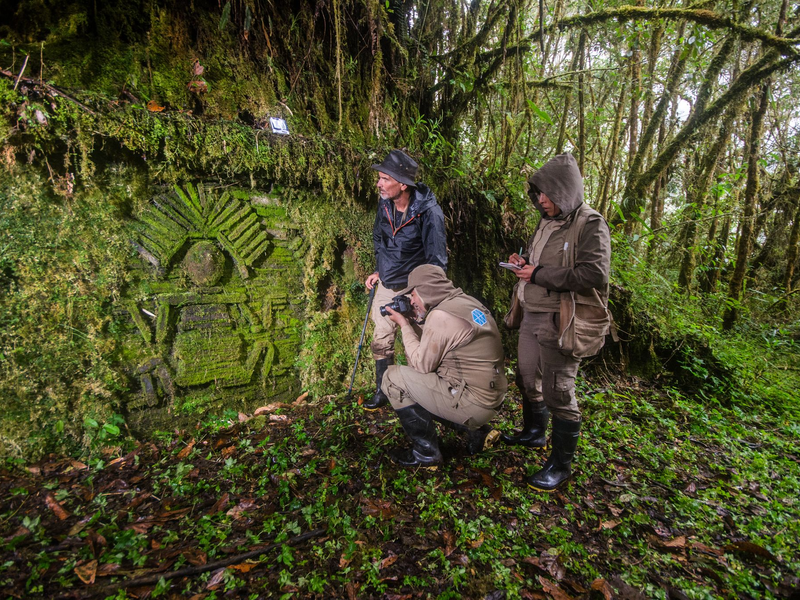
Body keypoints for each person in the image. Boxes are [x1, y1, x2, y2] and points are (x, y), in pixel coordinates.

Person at [502, 153, 611, 492]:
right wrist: (524, 262)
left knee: (558, 390)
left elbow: (594, 274)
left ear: (565, 191)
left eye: (547, 194)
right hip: (531, 313)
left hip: (562, 320)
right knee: (526, 376)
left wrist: (540, 273)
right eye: (538, 193)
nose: (541, 200)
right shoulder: (546, 220)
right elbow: (539, 263)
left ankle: (560, 465)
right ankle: (534, 433)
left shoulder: (590, 223)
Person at [381, 264, 508, 467]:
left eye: (413, 294)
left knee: (393, 379)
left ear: (424, 290)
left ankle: (425, 454)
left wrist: (404, 325)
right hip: (491, 396)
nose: (411, 301)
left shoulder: (441, 316)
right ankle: (477, 431)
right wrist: (418, 321)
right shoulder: (466, 302)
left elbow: (421, 366)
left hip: (475, 403)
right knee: (424, 384)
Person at [363, 150, 448, 410]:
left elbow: (436, 260)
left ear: (403, 184)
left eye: (385, 179)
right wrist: (381, 269)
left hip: (415, 287)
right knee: (381, 337)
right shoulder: (385, 203)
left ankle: (424, 395)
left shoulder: (428, 213)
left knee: (420, 343)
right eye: (379, 178)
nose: (379, 184)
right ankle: (383, 390)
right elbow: (380, 239)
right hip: (388, 282)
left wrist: (423, 295)